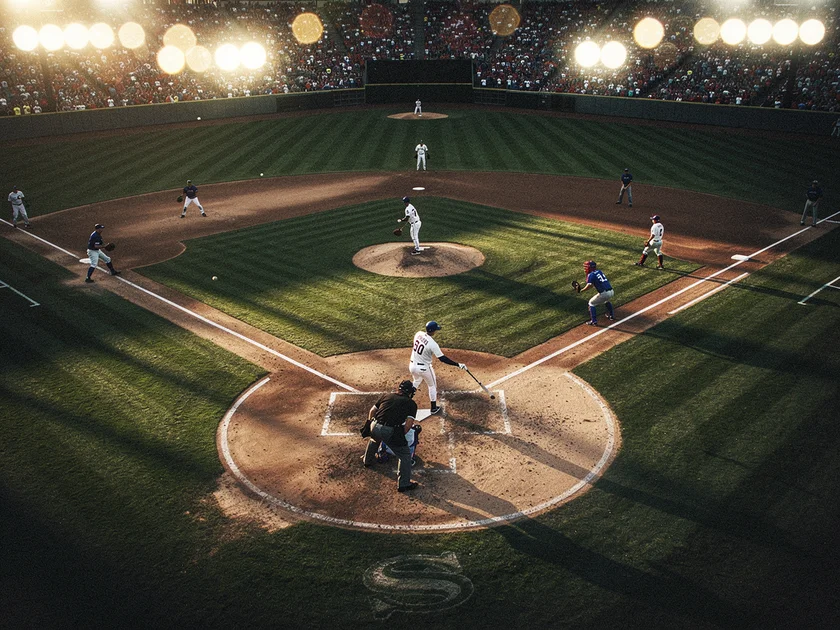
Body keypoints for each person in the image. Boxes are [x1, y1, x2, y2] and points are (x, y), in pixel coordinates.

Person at [362, 380, 420, 492]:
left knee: (375, 439)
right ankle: (403, 484)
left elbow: (372, 410)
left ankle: (367, 461)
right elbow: (408, 424)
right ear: (409, 392)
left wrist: (369, 424)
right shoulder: (411, 403)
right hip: (389, 430)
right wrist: (399, 436)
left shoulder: (387, 395)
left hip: (374, 425)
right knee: (405, 455)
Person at [409, 321, 467, 415]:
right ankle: (433, 408)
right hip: (424, 368)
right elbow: (442, 358)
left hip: (412, 366)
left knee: (416, 381)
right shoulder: (433, 344)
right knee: (432, 386)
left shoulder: (418, 334)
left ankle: (405, 399)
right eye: (436, 330)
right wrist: (458, 364)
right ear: (432, 331)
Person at [579, 261, 615, 326]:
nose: (585, 268)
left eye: (586, 267)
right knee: (606, 300)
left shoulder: (591, 274)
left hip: (604, 293)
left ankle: (594, 321)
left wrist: (582, 290)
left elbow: (590, 285)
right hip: (611, 291)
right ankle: (611, 315)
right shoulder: (599, 271)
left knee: (591, 303)